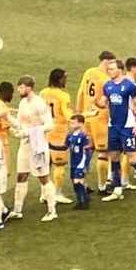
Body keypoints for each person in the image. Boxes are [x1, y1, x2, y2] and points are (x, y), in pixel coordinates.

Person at [3, 76, 57, 222]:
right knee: (21, 175)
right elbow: (21, 124)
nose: (19, 90)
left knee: (43, 177)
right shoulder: (22, 103)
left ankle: (52, 210)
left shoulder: (39, 104)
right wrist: (7, 118)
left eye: (20, 87)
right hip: (25, 146)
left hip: (37, 146)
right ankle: (17, 209)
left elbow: (49, 125)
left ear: (28, 87)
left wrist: (29, 132)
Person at [98, 60, 136, 200]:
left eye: (112, 69)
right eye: (108, 69)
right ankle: (117, 189)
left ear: (119, 70)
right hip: (113, 126)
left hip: (127, 126)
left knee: (132, 158)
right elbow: (103, 103)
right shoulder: (107, 85)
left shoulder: (129, 86)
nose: (109, 71)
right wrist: (95, 102)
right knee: (114, 157)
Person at [76, 51, 115, 192]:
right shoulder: (106, 79)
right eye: (111, 63)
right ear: (106, 61)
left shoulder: (89, 72)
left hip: (86, 116)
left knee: (88, 151)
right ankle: (102, 186)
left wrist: (79, 113)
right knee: (104, 152)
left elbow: (81, 92)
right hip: (100, 118)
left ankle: (82, 182)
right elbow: (107, 102)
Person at [40, 68, 75, 205]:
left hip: (44, 132)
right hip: (58, 133)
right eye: (65, 78)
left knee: (46, 164)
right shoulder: (63, 96)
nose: (66, 80)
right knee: (59, 164)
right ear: (59, 79)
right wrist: (85, 116)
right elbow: (68, 116)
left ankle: (44, 193)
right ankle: (57, 193)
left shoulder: (43, 93)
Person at [49, 114, 93, 209]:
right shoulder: (70, 135)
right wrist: (51, 146)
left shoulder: (84, 137)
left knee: (78, 182)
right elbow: (64, 147)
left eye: (74, 123)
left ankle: (86, 198)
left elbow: (87, 152)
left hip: (80, 163)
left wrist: (85, 165)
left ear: (81, 123)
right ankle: (79, 202)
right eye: (71, 123)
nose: (71, 124)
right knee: (75, 183)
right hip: (72, 163)